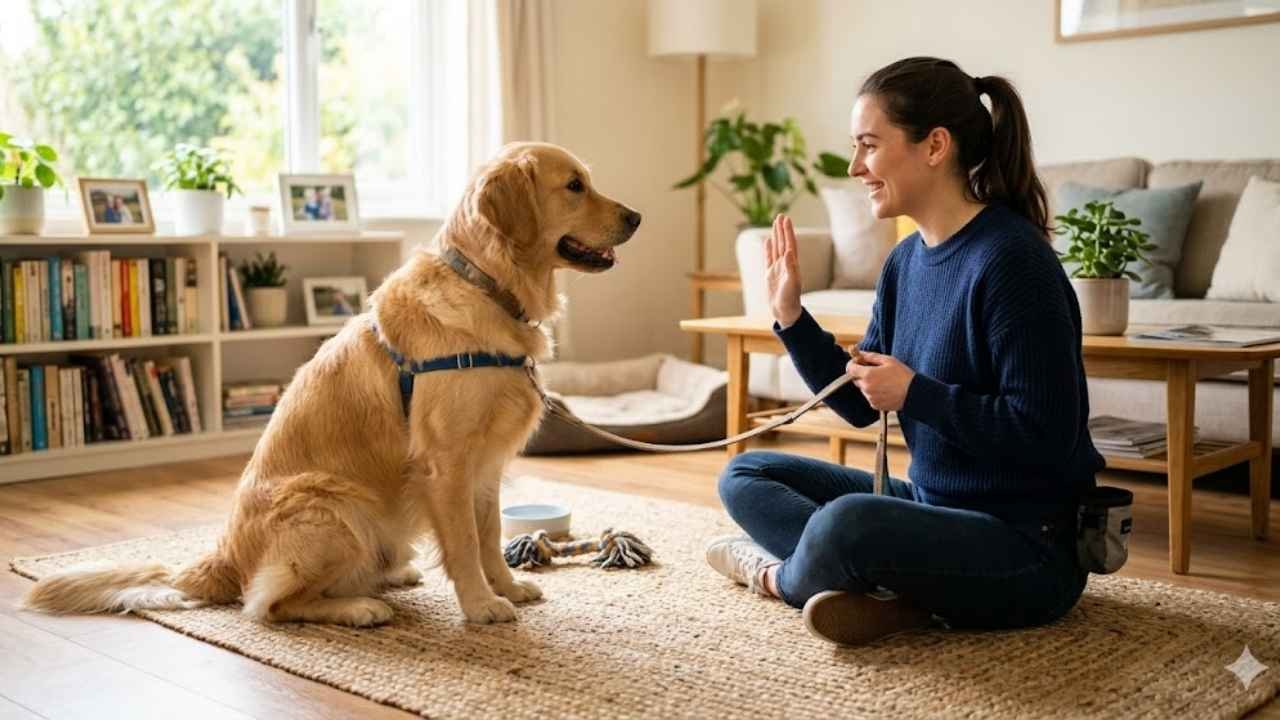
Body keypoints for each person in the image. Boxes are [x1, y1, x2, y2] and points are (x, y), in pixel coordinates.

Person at [705, 57, 1104, 646]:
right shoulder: (906, 262)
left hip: (1029, 546)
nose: (855, 166)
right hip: (931, 503)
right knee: (747, 472)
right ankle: (899, 592)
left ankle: (784, 579)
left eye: (869, 144)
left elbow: (1046, 433)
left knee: (849, 523)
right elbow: (863, 403)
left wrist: (917, 393)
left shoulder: (1013, 263)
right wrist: (789, 315)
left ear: (935, 145)